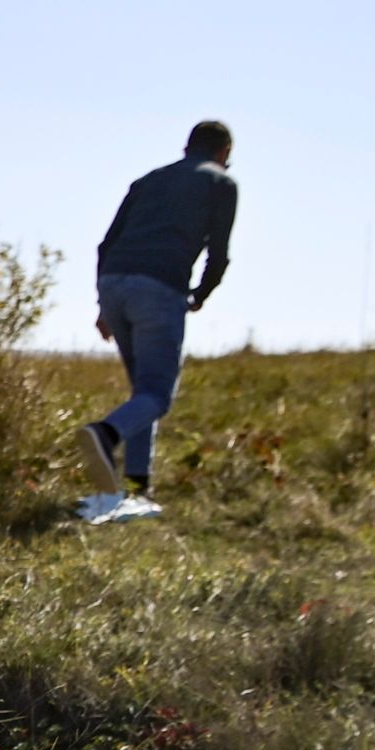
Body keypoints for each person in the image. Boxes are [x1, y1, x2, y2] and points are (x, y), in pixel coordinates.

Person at [80, 121, 238, 516]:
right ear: (224, 152)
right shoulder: (219, 182)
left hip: (113, 283)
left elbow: (106, 243)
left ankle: (136, 490)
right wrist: (199, 296)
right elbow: (218, 253)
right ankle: (104, 434)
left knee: (143, 394)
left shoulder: (147, 181)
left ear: (187, 147)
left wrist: (104, 306)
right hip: (158, 290)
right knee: (156, 396)